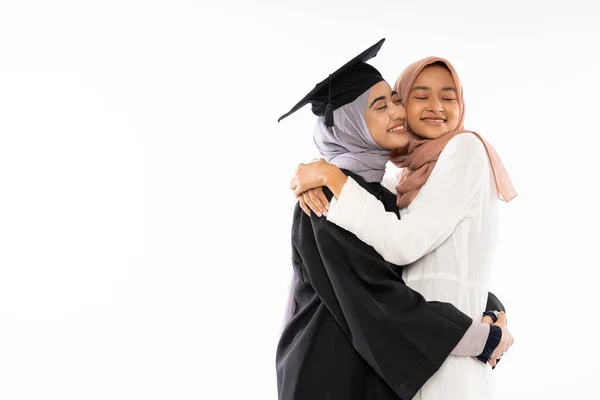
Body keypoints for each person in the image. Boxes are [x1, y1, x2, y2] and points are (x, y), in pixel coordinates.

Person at [277, 39, 511, 400]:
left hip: (369, 374)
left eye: (395, 100)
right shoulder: (325, 198)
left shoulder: (383, 191)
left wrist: (487, 305)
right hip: (328, 374)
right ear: (349, 124)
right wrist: (476, 337)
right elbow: (374, 298)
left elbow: (416, 264)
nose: (397, 113)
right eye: (380, 105)